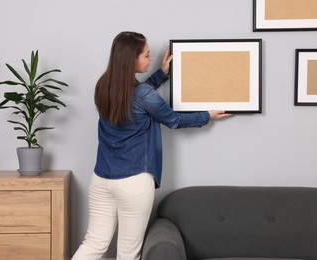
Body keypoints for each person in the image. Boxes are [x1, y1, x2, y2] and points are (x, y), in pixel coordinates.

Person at [72, 31, 232, 260]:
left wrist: (161, 74)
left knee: (94, 243)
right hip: (134, 182)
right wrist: (207, 115)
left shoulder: (104, 86)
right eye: (146, 55)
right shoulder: (144, 95)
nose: (150, 57)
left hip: (101, 180)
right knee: (128, 252)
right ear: (132, 60)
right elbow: (174, 120)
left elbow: (135, 98)